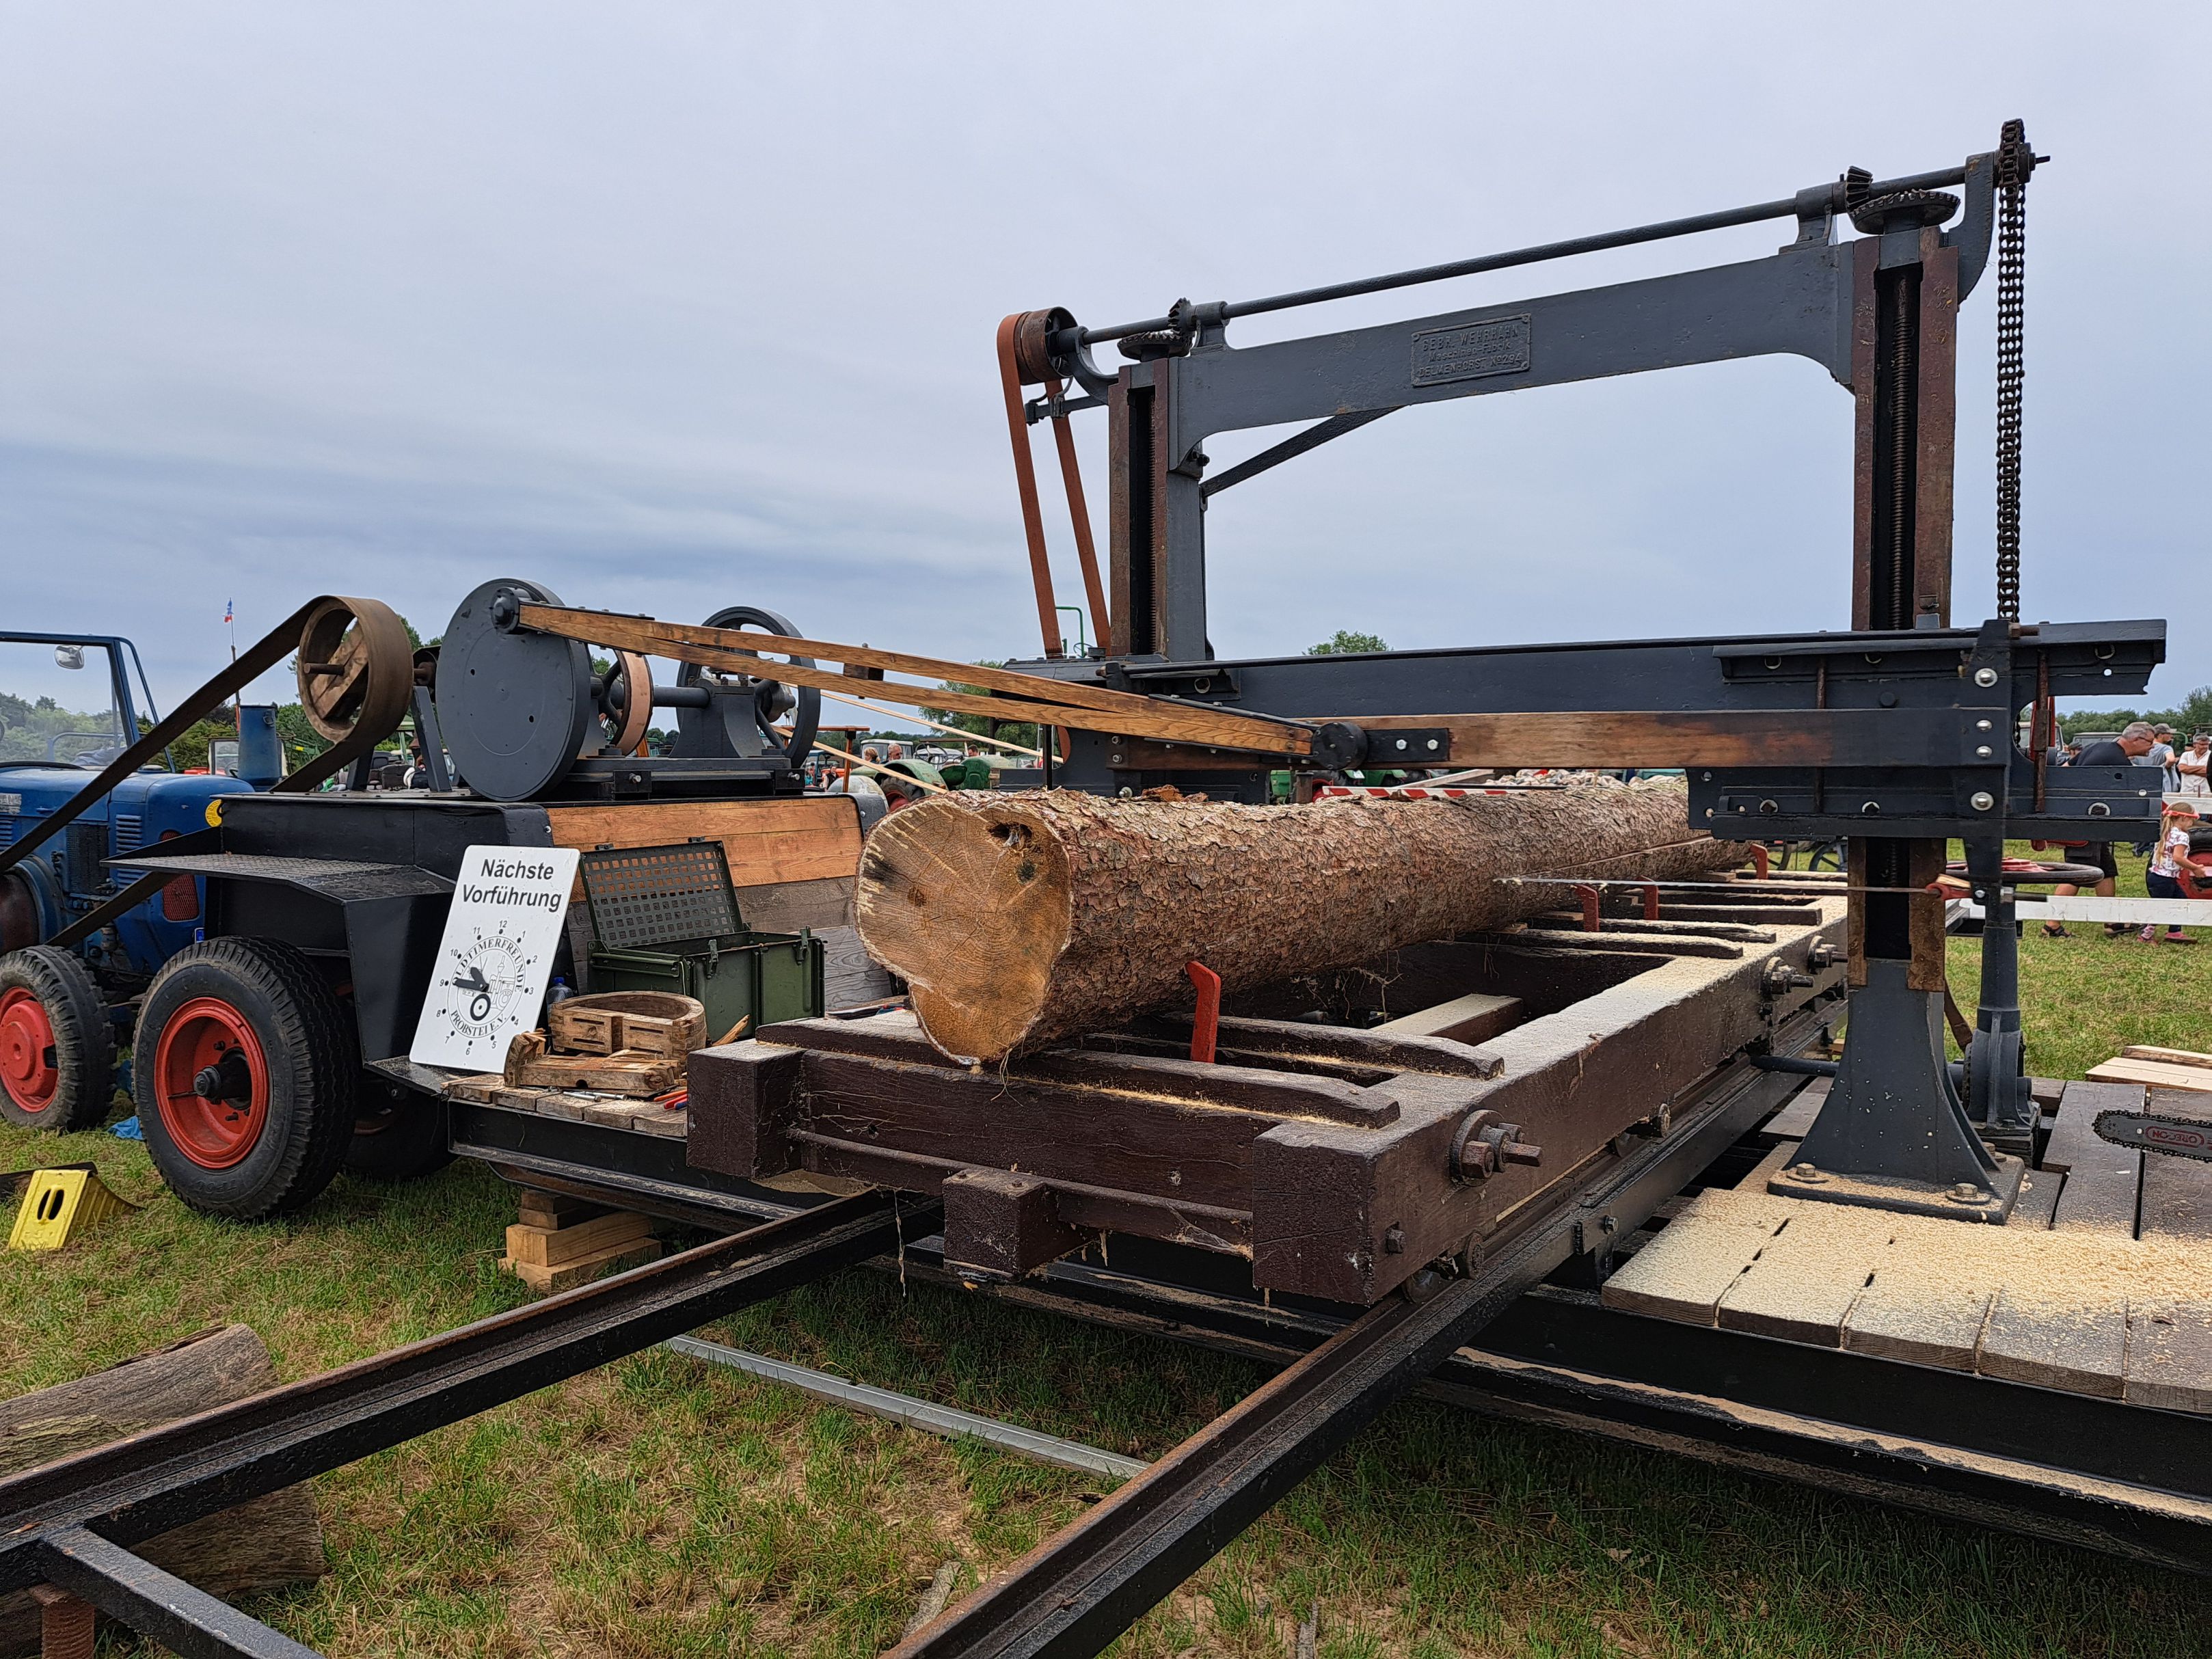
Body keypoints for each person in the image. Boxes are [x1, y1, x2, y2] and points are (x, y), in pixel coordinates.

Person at [2044, 722, 2160, 938]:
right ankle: (2051, 925)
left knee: (2106, 870)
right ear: (2136, 739)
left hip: (2089, 820)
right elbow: (2135, 793)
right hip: (2087, 823)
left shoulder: (2098, 747)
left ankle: (2111, 921)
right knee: (2077, 873)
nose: (2153, 746)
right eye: (2150, 742)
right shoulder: (2118, 760)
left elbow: (2064, 770)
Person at [2142, 800, 2212, 943]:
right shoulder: (2182, 836)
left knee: (2180, 899)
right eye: (2191, 820)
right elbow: (2178, 858)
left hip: (2157, 876)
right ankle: (2145, 935)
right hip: (2165, 878)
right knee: (2161, 908)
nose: (2192, 823)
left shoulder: (2165, 832)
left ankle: (2174, 932)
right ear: (2183, 818)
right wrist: (2195, 868)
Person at [2180, 733, 2211, 798]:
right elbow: (2182, 768)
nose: (2205, 747)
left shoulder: (2211, 756)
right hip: (2186, 792)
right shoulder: (2186, 755)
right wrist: (2203, 768)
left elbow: (2209, 772)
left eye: (2207, 744)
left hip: (2205, 793)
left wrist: (2188, 770)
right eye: (2202, 744)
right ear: (2194, 744)